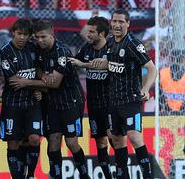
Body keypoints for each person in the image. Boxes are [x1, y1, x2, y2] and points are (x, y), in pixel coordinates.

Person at [9, 20, 89, 179]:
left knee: (71, 143)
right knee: (53, 141)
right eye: (37, 37)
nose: (40, 40)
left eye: (43, 37)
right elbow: (37, 69)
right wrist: (42, 76)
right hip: (51, 102)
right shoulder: (37, 49)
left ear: (52, 34)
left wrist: (27, 82)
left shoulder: (62, 52)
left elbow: (55, 83)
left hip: (70, 102)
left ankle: (85, 176)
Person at [88, 9, 157, 179]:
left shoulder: (133, 44)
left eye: (121, 22)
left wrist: (146, 89)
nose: (117, 25)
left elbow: (151, 68)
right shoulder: (110, 43)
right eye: (115, 21)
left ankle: (148, 176)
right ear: (111, 23)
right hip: (113, 101)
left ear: (128, 24)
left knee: (134, 136)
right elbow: (111, 63)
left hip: (131, 100)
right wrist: (85, 64)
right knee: (116, 140)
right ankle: (122, 175)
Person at [68, 16, 113, 179]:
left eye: (92, 32)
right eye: (88, 31)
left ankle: (121, 171)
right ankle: (108, 176)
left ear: (102, 34)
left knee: (114, 138)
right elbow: (74, 63)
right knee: (100, 142)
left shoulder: (112, 48)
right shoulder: (86, 49)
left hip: (110, 102)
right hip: (93, 104)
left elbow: (105, 64)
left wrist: (83, 65)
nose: (88, 34)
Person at [0, 18, 42, 179]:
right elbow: (14, 82)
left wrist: (39, 88)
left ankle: (30, 175)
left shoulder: (33, 48)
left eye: (25, 34)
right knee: (14, 143)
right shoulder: (5, 51)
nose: (22, 37)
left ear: (30, 36)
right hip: (12, 105)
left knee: (34, 139)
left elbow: (40, 71)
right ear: (13, 33)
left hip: (32, 104)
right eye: (19, 34)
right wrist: (36, 84)